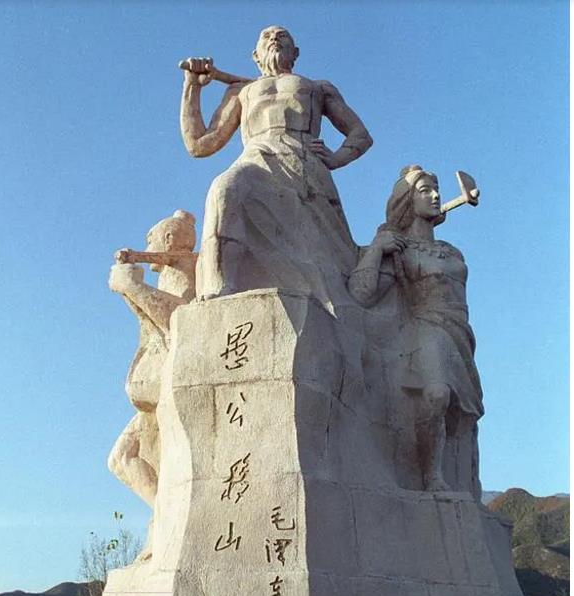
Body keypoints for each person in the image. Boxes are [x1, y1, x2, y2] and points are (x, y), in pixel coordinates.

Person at [180, 26, 373, 312]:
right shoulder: (241, 91)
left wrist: (336, 158)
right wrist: (192, 86)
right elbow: (199, 145)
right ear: (255, 55)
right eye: (267, 36)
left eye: (282, 35)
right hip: (255, 159)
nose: (274, 38)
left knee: (319, 262)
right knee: (224, 188)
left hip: (303, 164)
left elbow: (360, 134)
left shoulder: (317, 88)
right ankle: (218, 286)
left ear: (296, 52)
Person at [349, 165, 483, 494]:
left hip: (460, 332)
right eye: (425, 190)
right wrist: (377, 250)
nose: (436, 195)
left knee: (460, 414)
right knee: (437, 394)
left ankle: (459, 479)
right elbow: (361, 295)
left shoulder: (451, 251)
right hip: (424, 327)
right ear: (407, 200)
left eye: (436, 190)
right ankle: (430, 476)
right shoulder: (400, 249)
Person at [107, 211, 196, 519]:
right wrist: (129, 291)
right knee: (120, 459)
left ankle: (168, 518)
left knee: (124, 456)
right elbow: (152, 323)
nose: (147, 248)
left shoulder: (189, 268)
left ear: (168, 240)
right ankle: (165, 517)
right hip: (155, 389)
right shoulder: (167, 274)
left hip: (176, 385)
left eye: (151, 240)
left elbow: (183, 320)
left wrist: (134, 288)